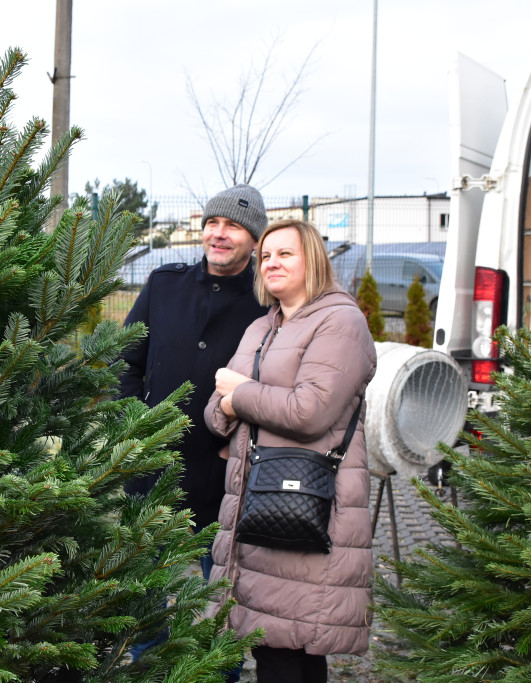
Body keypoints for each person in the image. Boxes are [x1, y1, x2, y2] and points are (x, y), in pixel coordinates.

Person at [204, 219, 376, 682]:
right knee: (270, 645)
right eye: (266, 256)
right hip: (253, 504)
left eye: (286, 254)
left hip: (305, 501)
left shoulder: (341, 321)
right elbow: (214, 413)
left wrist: (241, 396)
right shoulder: (262, 326)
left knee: (293, 648)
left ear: (313, 261)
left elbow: (310, 412)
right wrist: (235, 399)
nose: (272, 262)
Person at [120, 184, 269, 579]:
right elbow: (124, 361)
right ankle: (145, 645)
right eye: (213, 223)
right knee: (142, 592)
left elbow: (277, 387)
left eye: (234, 226)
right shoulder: (164, 285)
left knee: (220, 595)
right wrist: (137, 428)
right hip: (152, 465)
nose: (219, 233)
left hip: (224, 476)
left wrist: (238, 447)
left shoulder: (269, 304)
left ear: (255, 240)